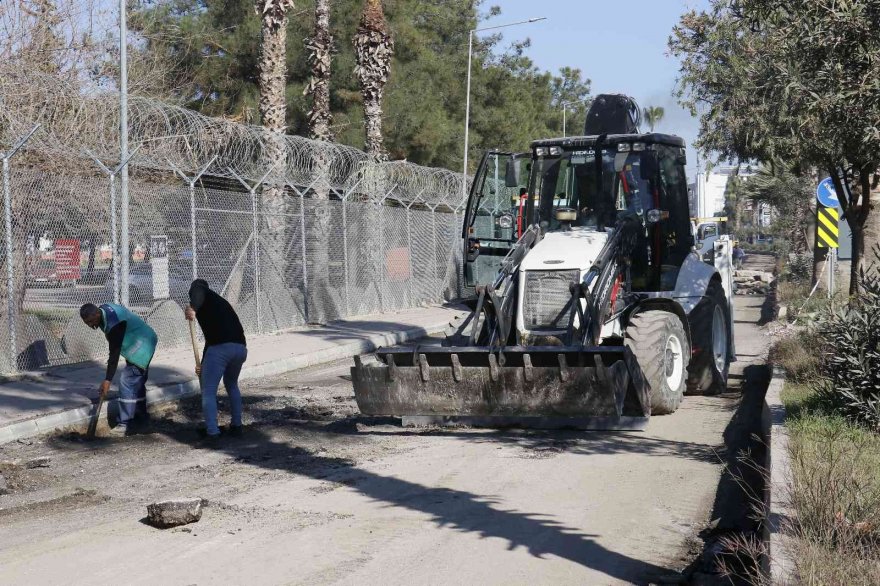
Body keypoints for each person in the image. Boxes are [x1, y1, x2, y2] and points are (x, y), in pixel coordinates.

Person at [80, 302, 158, 437]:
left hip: (142, 343)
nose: (91, 325)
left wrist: (107, 380)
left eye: (92, 321)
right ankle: (142, 418)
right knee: (137, 383)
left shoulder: (114, 323)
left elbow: (114, 353)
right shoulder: (103, 312)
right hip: (141, 339)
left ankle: (124, 424)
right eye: (87, 323)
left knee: (126, 381)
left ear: (97, 313)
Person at [185, 279, 247, 444]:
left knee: (208, 390)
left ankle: (212, 432)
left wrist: (193, 308)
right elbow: (210, 341)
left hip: (221, 348)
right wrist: (203, 364)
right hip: (240, 348)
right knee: (232, 384)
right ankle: (237, 426)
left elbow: (198, 290)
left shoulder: (201, 291)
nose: (192, 297)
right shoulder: (219, 304)